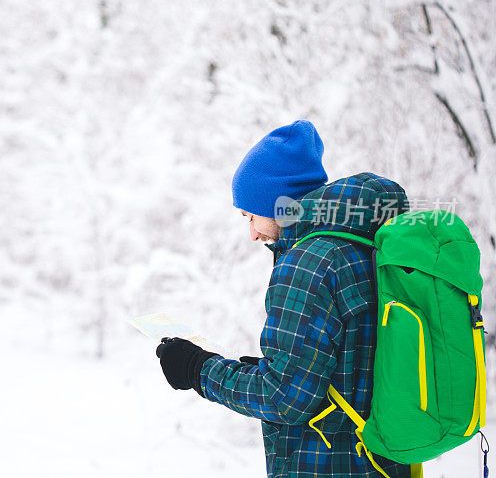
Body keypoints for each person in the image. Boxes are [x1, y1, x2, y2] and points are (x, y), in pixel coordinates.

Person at [155, 120, 412, 477]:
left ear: (277, 203)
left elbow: (286, 399)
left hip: (328, 466)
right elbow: (337, 368)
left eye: (250, 216)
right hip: (382, 462)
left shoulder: (310, 263)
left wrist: (197, 369)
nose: (252, 234)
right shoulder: (364, 244)